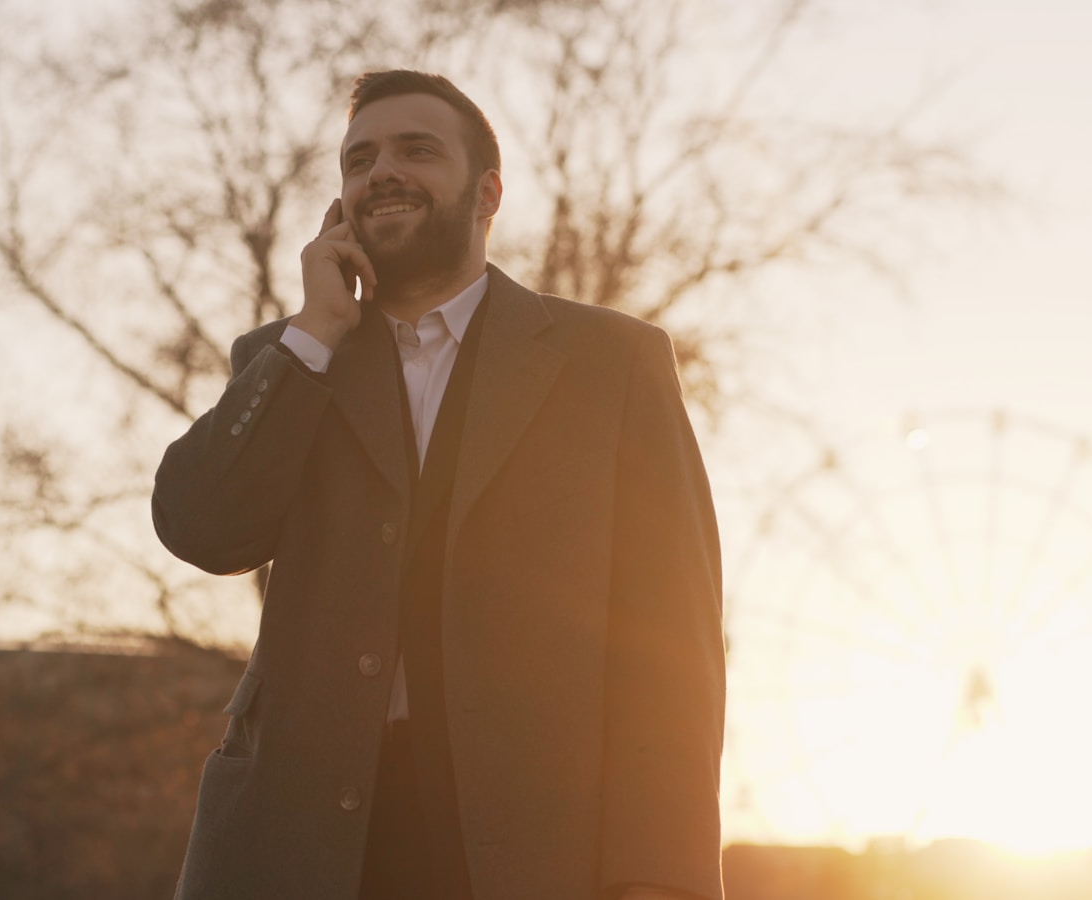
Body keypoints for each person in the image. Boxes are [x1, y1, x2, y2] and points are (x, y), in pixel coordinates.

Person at [152, 69, 724, 900]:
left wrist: (663, 881)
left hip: (534, 849)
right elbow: (199, 527)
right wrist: (313, 334)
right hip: (300, 847)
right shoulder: (289, 362)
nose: (381, 171)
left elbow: (675, 643)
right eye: (359, 159)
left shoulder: (614, 363)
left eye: (417, 150)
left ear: (487, 193)